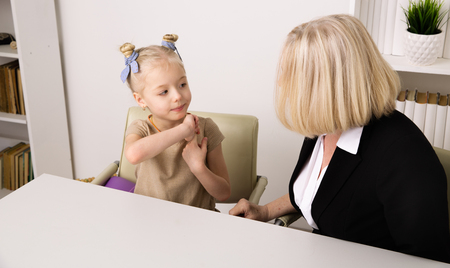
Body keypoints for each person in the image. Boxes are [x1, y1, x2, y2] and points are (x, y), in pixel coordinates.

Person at [229, 14, 450, 263]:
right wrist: (265, 210)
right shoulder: (325, 127)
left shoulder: (405, 156)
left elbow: (429, 259)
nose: (281, 83)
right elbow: (318, 192)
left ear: (324, 88)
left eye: (291, 75)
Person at [120, 34, 230, 211]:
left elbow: (224, 193)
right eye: (164, 92)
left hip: (198, 222)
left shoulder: (206, 128)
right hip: (150, 219)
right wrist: (183, 130)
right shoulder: (141, 128)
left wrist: (198, 167)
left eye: (182, 84)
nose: (178, 96)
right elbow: (133, 154)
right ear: (141, 100)